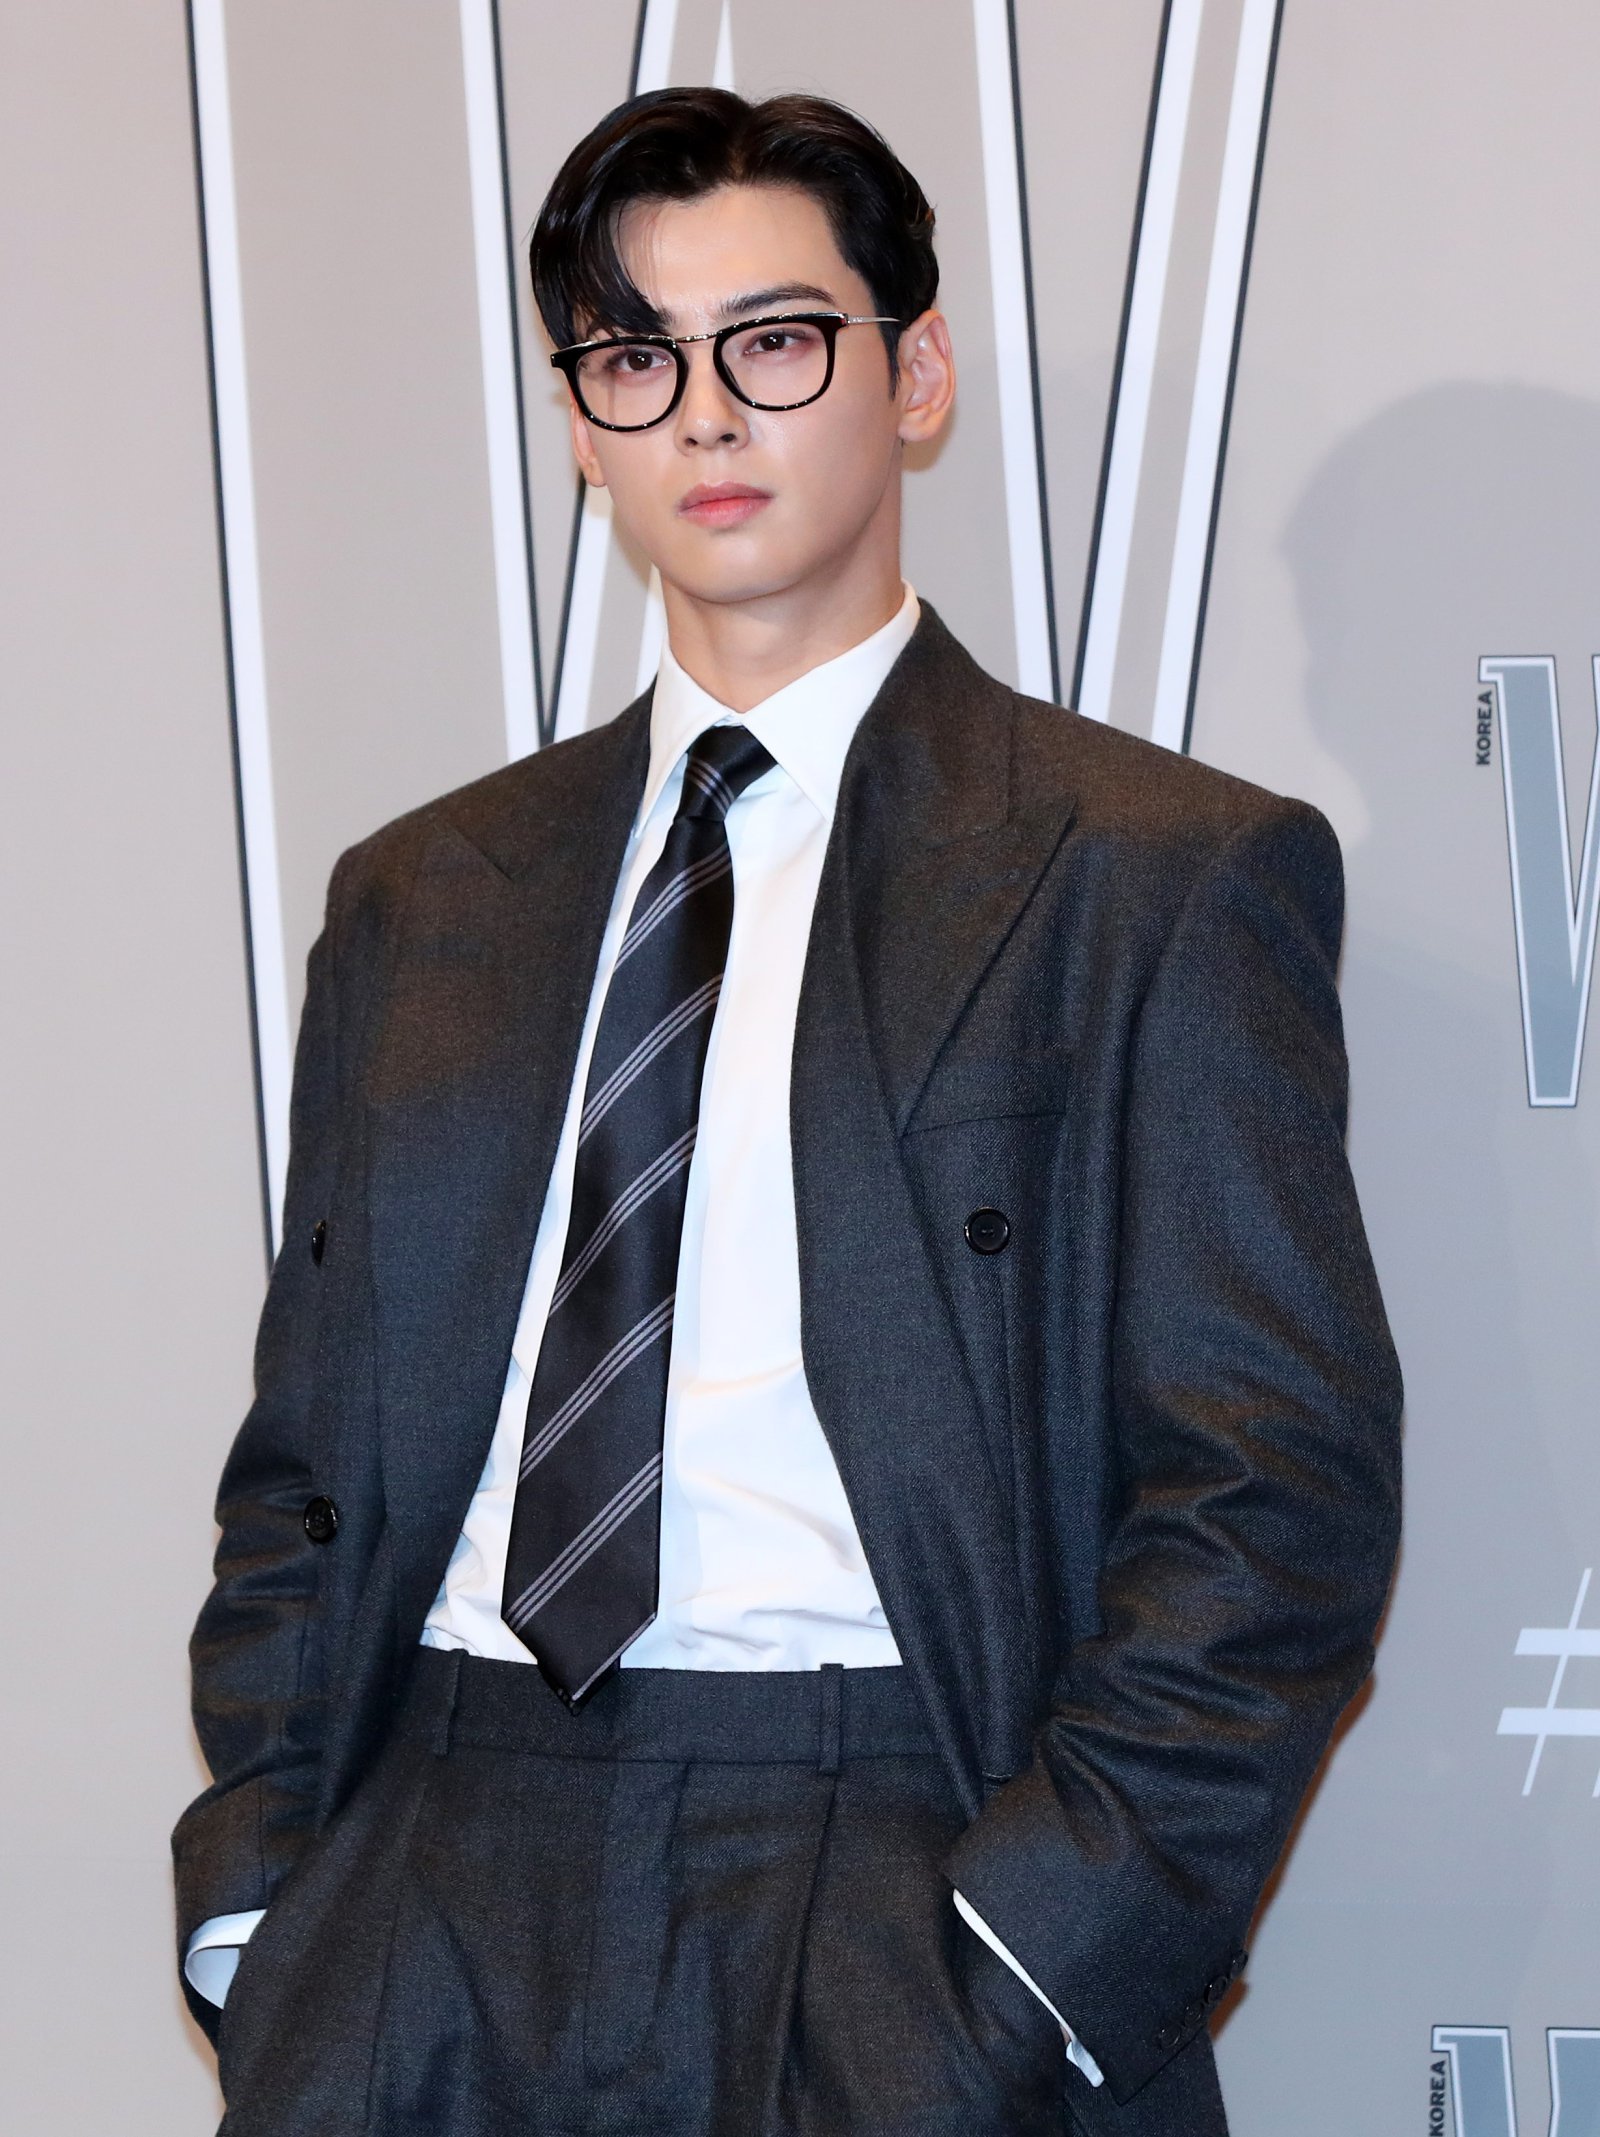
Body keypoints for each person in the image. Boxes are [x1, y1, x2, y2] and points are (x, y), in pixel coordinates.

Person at [172, 86, 1402, 2137]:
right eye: (632, 359)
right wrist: (261, 1895)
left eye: (774, 340)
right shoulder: (423, 895)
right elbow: (304, 1455)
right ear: (581, 427)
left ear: (912, 376)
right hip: (423, 1877)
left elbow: (1270, 1488)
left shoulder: (1150, 874)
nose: (705, 415)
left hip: (893, 1875)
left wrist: (1040, 1952)